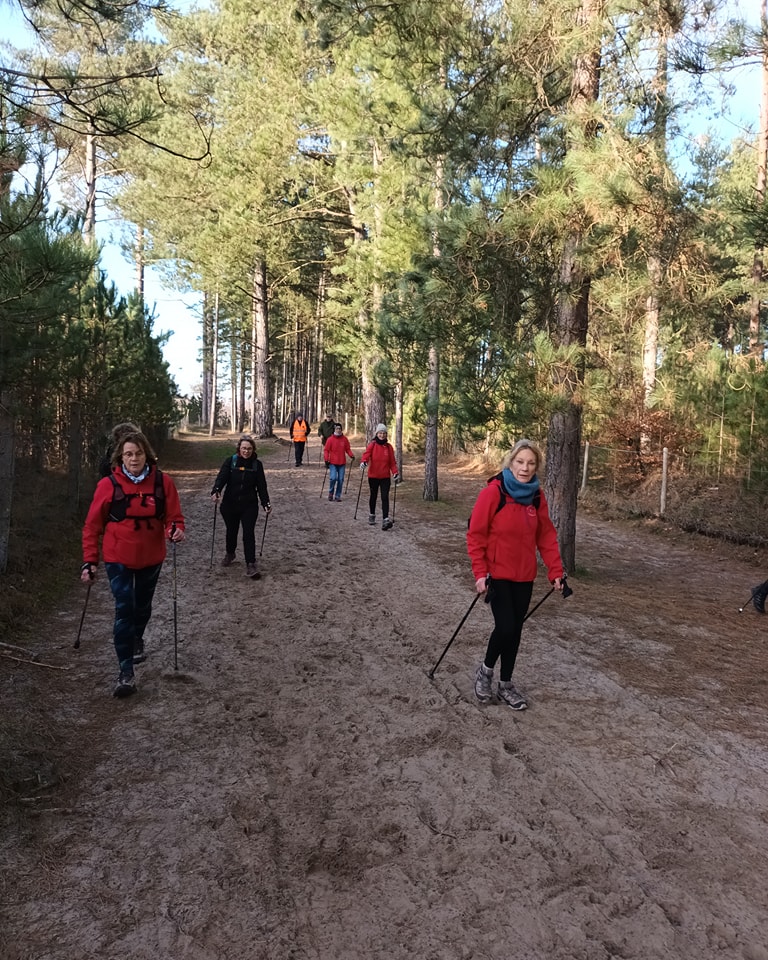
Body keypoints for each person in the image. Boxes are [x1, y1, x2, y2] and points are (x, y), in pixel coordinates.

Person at [81, 430, 186, 698]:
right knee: (124, 609)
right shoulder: (108, 485)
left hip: (152, 557)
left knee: (143, 607)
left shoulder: (163, 482)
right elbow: (92, 526)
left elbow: (174, 517)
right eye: (128, 454)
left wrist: (175, 530)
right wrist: (90, 561)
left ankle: (137, 636)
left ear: (146, 455)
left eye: (138, 453)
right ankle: (125, 672)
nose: (134, 458)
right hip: (118, 558)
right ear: (121, 457)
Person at [466, 438, 563, 710]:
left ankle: (506, 684)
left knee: (515, 630)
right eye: (520, 462)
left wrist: (556, 570)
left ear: (536, 466)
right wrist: (480, 572)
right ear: (510, 462)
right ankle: (485, 672)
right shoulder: (493, 493)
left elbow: (546, 536)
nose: (525, 468)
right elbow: (475, 535)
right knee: (506, 626)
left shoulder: (536, 497)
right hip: (497, 574)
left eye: (531, 463)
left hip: (524, 576)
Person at [211, 435, 271, 579]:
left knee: (248, 533)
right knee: (231, 531)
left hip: (249, 505)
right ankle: (230, 553)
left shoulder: (257, 465)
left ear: (253, 449)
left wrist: (266, 503)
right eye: (244, 448)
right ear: (239, 448)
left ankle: (251, 563)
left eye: (249, 449)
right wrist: (216, 490)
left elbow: (261, 486)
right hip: (230, 504)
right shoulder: (231, 461)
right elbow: (221, 478)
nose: (246, 451)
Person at [360, 423, 399, 529]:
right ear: (377, 434)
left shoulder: (389, 447)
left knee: (384, 496)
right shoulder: (372, 445)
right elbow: (366, 455)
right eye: (380, 433)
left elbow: (392, 462)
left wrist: (395, 472)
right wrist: (364, 462)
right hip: (373, 476)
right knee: (373, 495)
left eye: (384, 433)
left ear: (386, 435)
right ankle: (372, 514)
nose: (382, 435)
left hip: (385, 476)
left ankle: (385, 519)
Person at [324, 422, 354, 501]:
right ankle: (331, 493)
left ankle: (338, 495)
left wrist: (351, 455)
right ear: (334, 429)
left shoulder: (344, 439)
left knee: (340, 479)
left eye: (340, 429)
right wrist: (326, 459)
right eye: (337, 429)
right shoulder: (330, 439)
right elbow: (326, 450)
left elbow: (347, 449)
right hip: (332, 462)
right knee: (333, 478)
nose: (338, 430)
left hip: (342, 463)